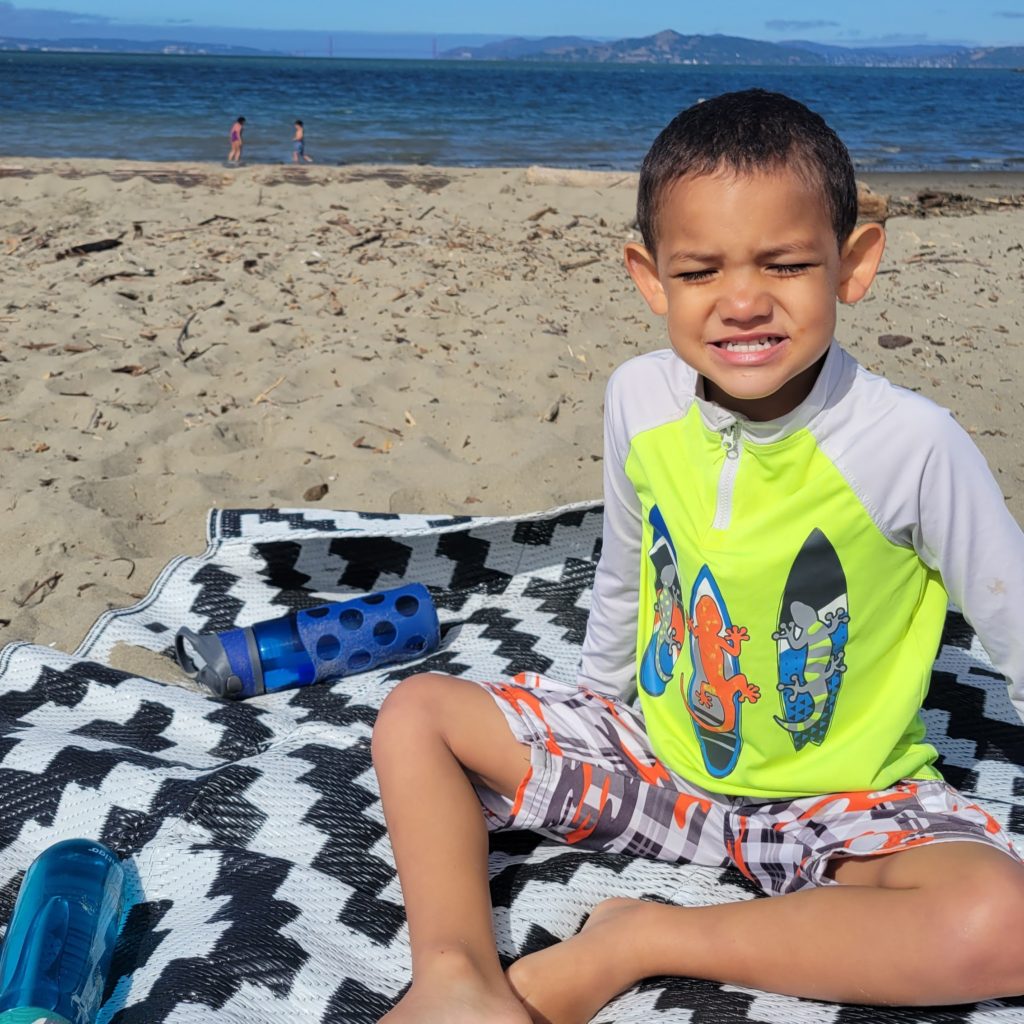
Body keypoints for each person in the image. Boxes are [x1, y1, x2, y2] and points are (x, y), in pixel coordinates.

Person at [371, 89, 1024, 1024]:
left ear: (854, 264)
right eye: (702, 270)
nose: (745, 300)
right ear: (651, 277)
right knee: (416, 713)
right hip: (661, 764)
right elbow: (629, 564)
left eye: (788, 263)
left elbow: (1015, 619)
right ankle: (455, 977)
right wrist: (591, 703)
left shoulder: (912, 444)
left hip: (838, 802)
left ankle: (647, 937)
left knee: (1004, 925)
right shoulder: (638, 396)